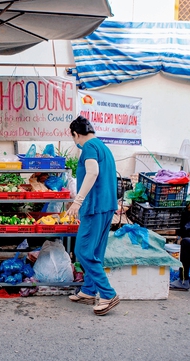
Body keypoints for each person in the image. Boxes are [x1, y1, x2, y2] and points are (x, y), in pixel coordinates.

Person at [66, 116, 120, 315]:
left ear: (75, 134)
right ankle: (89, 290)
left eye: (74, 138)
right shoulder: (102, 146)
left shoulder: (88, 147)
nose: (75, 142)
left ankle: (108, 293)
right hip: (107, 206)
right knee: (96, 251)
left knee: (83, 251)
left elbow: (92, 172)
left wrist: (77, 201)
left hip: (94, 206)